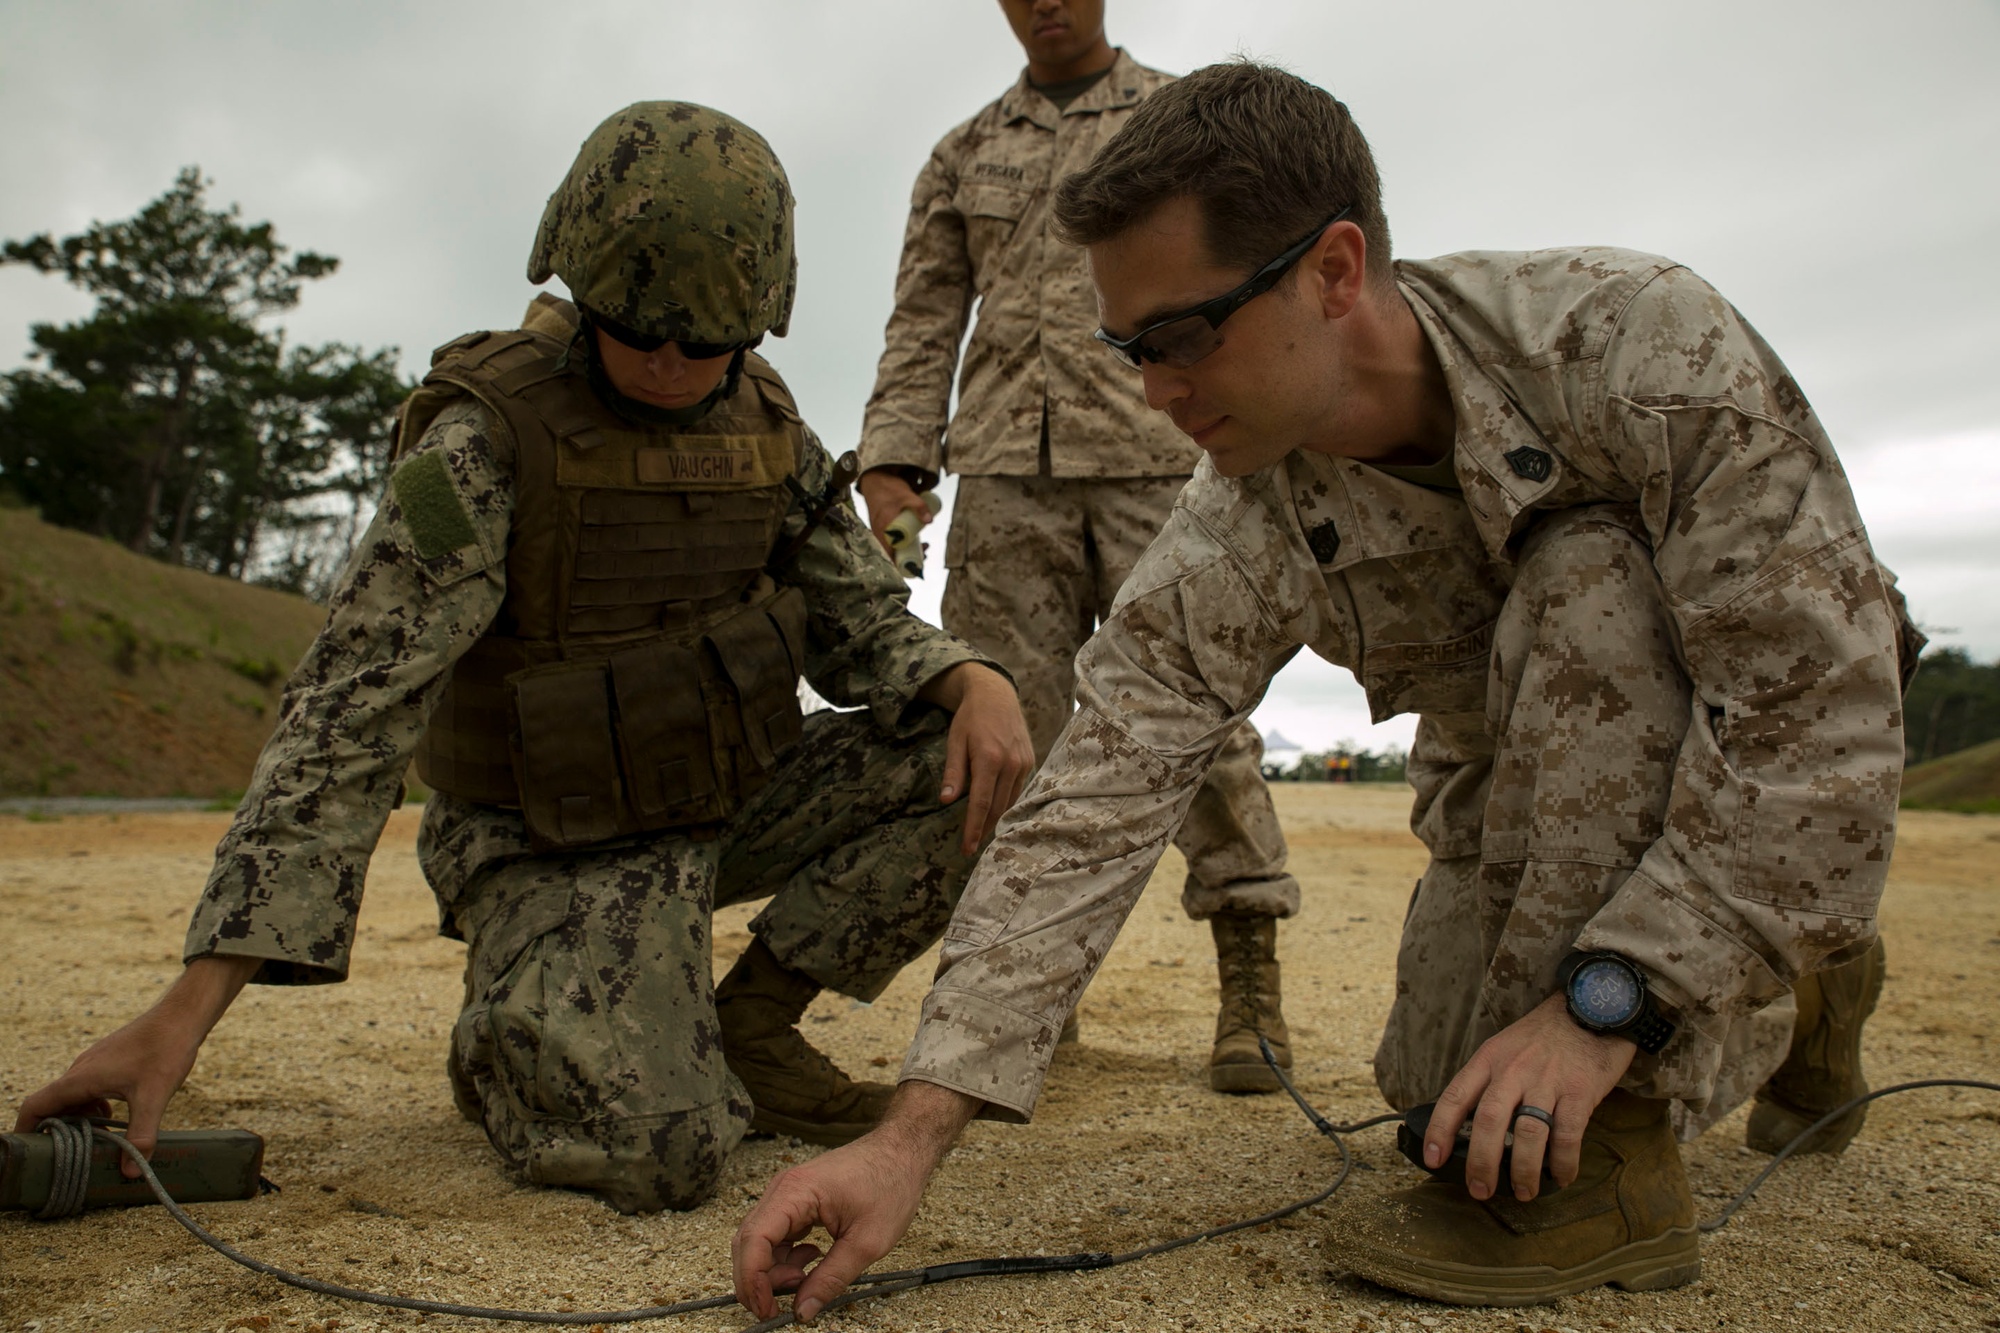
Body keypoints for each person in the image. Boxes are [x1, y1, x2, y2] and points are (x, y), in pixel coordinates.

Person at [734, 62, 1918, 1312]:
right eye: (1126, 348)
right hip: (1516, 775)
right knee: (1439, 1090)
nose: (1153, 392)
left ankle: (1631, 1146)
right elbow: (1097, 792)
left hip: (1746, 738)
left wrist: (1606, 1007)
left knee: (1584, 576)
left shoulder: (1637, 347)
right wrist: (908, 1137)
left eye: (1182, 338)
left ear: (1333, 272)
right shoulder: (1240, 518)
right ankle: (1800, 971)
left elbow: (1818, 723)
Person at [14, 103, 1034, 1216]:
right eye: (636, 325)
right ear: (580, 282)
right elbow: (351, 712)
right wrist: (185, 1010)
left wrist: (967, 676)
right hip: (550, 831)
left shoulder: (767, 429)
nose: (665, 360)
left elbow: (861, 621)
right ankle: (517, 1041)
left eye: (703, 342)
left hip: (720, 797)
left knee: (976, 741)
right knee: (664, 1155)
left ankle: (754, 1019)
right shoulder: (479, 442)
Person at [854, 0, 1301, 1092]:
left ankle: (1248, 981)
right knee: (1005, 738)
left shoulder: (1176, 119)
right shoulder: (962, 155)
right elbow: (923, 317)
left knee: (1203, 721)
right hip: (1006, 478)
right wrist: (896, 455)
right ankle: (1022, 999)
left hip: (1165, 458)